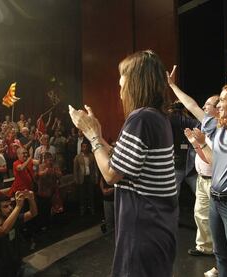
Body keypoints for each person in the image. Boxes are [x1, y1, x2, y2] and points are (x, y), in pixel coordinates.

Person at [69, 50, 178, 277]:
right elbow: (121, 157)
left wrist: (90, 136)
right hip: (157, 227)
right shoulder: (156, 117)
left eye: (122, 82)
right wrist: (97, 133)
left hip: (143, 230)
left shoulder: (141, 118)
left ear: (135, 82)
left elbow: (111, 173)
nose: (120, 90)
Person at [189, 83, 227, 277]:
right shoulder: (220, 127)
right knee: (221, 254)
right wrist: (203, 144)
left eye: (222, 100)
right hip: (215, 199)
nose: (219, 105)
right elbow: (216, 162)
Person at [167, 66, 219, 258]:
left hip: (217, 181)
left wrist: (200, 144)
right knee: (201, 214)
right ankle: (205, 247)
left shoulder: (225, 126)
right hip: (201, 178)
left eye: (208, 105)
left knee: (217, 220)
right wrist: (172, 85)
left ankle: (221, 257)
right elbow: (191, 105)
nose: (204, 107)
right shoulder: (208, 122)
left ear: (219, 108)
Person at [0, 190, 38, 277]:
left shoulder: (13, 219)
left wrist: (31, 199)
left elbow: (33, 213)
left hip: (17, 263)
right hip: (4, 270)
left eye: (10, 205)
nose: (10, 208)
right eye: (5, 206)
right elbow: (4, 230)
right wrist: (18, 206)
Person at [73, 141, 98, 215]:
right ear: (81, 147)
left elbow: (95, 168)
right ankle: (82, 209)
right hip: (81, 178)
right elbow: (75, 170)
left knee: (91, 194)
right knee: (82, 194)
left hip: (90, 177)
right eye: (83, 146)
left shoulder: (91, 156)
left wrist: (96, 178)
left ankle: (92, 208)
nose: (85, 148)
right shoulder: (77, 157)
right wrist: (76, 179)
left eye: (86, 146)